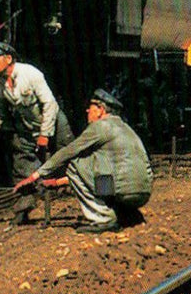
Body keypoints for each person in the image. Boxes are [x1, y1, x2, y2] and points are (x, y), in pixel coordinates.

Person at [15, 88, 152, 233]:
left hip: (123, 190)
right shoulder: (125, 128)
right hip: (143, 191)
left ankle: (103, 219)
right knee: (98, 165)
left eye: (91, 107)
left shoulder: (100, 126)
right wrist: (56, 183)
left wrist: (35, 176)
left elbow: (67, 152)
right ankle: (127, 214)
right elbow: (95, 172)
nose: (87, 111)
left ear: (100, 110)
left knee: (75, 162)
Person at [0, 42, 71, 225]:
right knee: (21, 165)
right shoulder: (0, 83)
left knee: (72, 160)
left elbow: (49, 104)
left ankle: (99, 203)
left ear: (8, 58)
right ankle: (23, 210)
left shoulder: (31, 74)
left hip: (54, 122)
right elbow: (2, 111)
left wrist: (45, 134)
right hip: (27, 127)